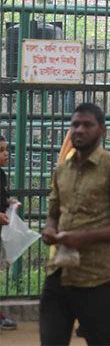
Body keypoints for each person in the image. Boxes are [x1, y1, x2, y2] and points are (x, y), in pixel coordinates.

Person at [39, 103, 110, 345]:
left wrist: (82, 238)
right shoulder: (62, 169)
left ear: (102, 130)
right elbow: (53, 211)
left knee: (100, 341)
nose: (79, 130)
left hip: (95, 278)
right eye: (75, 124)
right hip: (58, 273)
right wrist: (50, 229)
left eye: (87, 125)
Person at [0, 133, 17, 331]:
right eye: (1, 151)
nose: (5, 155)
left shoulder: (2, 175)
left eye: (6, 150)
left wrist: (8, 203)